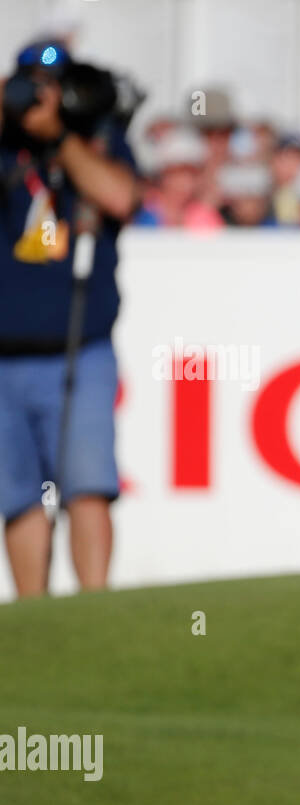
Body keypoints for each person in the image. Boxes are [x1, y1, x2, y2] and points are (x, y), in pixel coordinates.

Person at [0, 41, 140, 596]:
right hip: (4, 355)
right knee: (17, 496)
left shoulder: (98, 141)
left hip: (79, 347)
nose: (45, 98)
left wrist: (61, 138)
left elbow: (120, 198)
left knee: (87, 485)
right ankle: (36, 620)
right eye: (33, 85)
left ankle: (92, 612)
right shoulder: (7, 148)